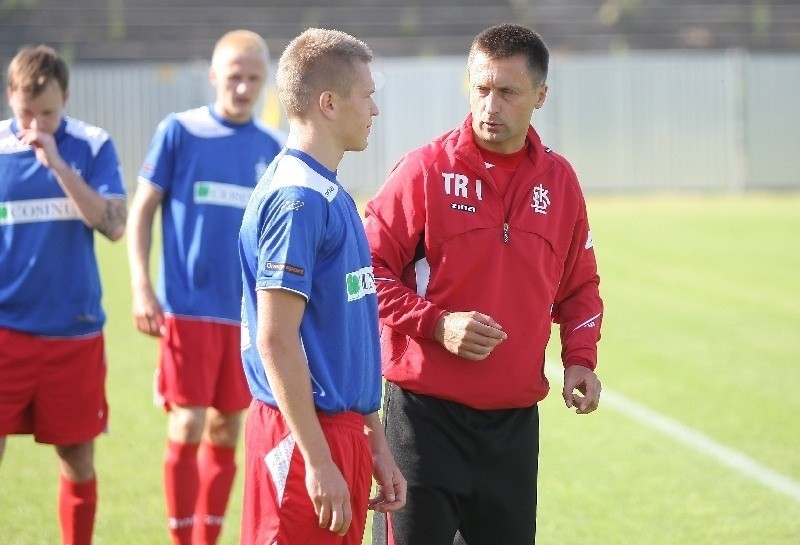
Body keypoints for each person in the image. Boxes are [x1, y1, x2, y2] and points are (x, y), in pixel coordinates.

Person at [364, 23, 604, 545]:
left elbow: (580, 285)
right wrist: (437, 324)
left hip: (512, 429)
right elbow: (364, 273)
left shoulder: (560, 182)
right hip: (423, 423)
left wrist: (580, 357)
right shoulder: (424, 171)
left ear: (540, 96)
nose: (490, 105)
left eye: (508, 92)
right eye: (481, 88)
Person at [238, 27, 406, 545]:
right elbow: (275, 337)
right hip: (305, 435)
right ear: (328, 104)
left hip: (340, 431)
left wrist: (373, 436)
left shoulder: (328, 190)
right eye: (367, 95)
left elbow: (346, 330)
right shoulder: (298, 200)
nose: (374, 110)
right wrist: (316, 458)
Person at [126, 29, 284, 545]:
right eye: (234, 77)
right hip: (187, 311)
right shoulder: (180, 131)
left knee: (224, 430)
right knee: (188, 423)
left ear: (265, 82)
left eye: (253, 79)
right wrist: (141, 288)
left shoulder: (272, 150)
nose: (242, 88)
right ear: (215, 75)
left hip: (244, 319)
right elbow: (142, 210)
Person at [0, 45, 127, 545]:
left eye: (48, 113)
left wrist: (57, 165)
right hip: (5, 332)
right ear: (10, 97)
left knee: (77, 457)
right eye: (26, 112)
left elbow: (114, 225)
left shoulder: (91, 146)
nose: (36, 124)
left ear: (66, 98)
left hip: (73, 333)